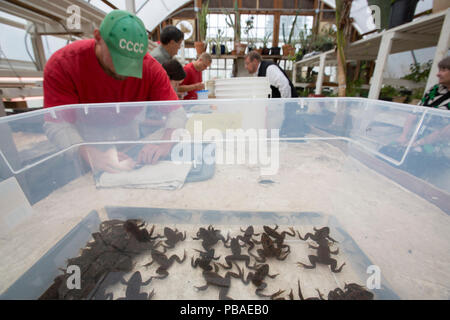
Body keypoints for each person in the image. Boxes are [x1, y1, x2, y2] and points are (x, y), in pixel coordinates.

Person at [43, 10, 187, 174]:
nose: (124, 71)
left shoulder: (150, 68)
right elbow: (57, 124)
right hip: (85, 142)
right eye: (118, 59)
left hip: (129, 140)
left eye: (132, 62)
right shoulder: (64, 64)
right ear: (98, 38)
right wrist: (88, 153)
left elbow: (177, 113)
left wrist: (165, 145)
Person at [396, 56, 450, 148]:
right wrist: (404, 136)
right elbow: (415, 113)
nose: (438, 74)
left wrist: (418, 143)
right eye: (439, 70)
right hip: (417, 139)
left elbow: (446, 132)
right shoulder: (435, 89)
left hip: (441, 147)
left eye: (443, 70)